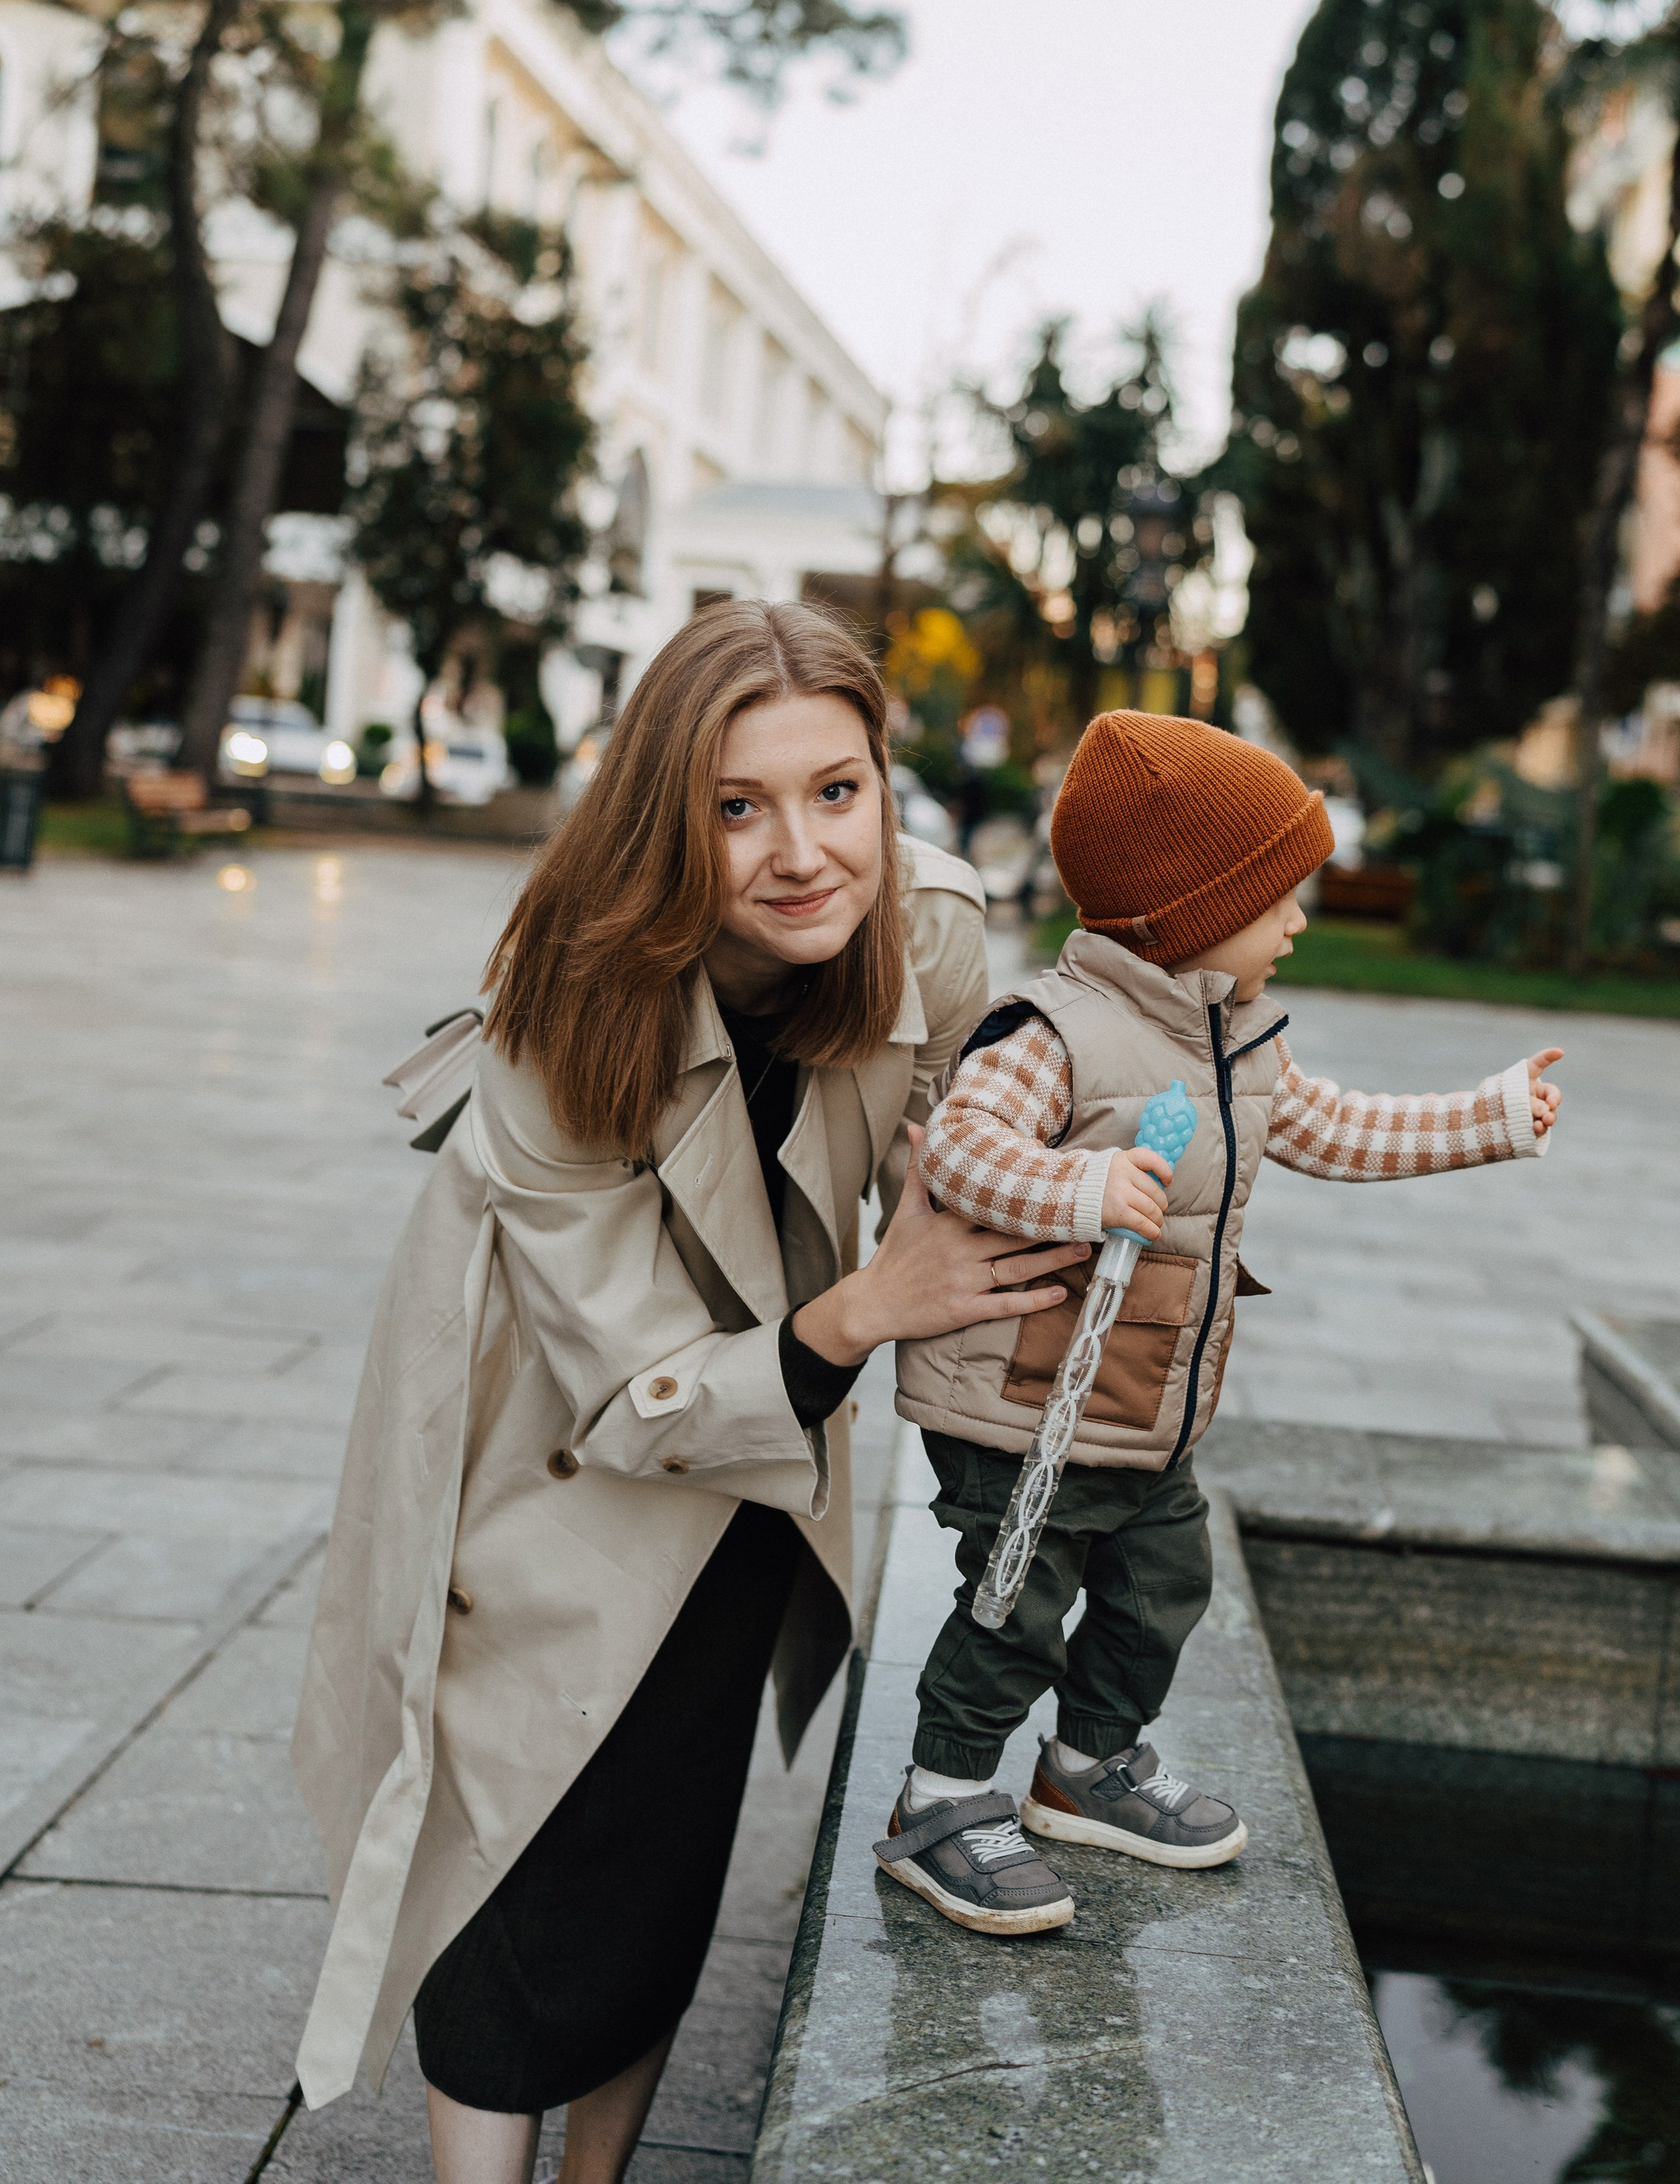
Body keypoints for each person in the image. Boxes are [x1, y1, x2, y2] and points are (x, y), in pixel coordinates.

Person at [289, 601, 1090, 2184]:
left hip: (768, 1434)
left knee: (664, 1831)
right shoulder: (563, 994)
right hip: (550, 1422)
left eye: (836, 791)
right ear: (671, 818)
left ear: (881, 780)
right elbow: (624, 1388)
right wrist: (864, 1309)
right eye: (739, 809)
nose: (803, 852)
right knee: (509, 1821)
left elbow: (968, 1155)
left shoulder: (924, 926)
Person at [873, 710, 1566, 1934]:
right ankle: (941, 1797)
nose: (1300, 920)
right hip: (1030, 1398)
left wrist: (1492, 1118)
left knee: (1161, 1586)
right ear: (1184, 909)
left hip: (1148, 1400)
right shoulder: (1057, 1030)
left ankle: (1085, 1766)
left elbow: (1338, 1130)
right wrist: (1081, 1186)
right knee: (1018, 1597)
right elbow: (964, 1153)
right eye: (1279, 897)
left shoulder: (1233, 1036)